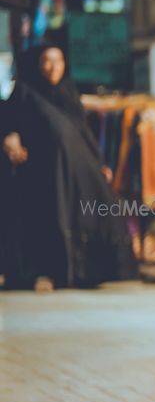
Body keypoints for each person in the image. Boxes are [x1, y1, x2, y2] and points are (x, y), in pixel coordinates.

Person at [0, 44, 136, 290]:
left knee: (94, 210)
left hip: (76, 170)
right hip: (43, 171)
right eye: (46, 61)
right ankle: (46, 273)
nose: (53, 67)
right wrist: (10, 137)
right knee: (49, 218)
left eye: (58, 61)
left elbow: (83, 133)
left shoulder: (68, 92)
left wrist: (99, 163)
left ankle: (86, 273)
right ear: (36, 64)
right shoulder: (25, 92)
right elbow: (9, 121)